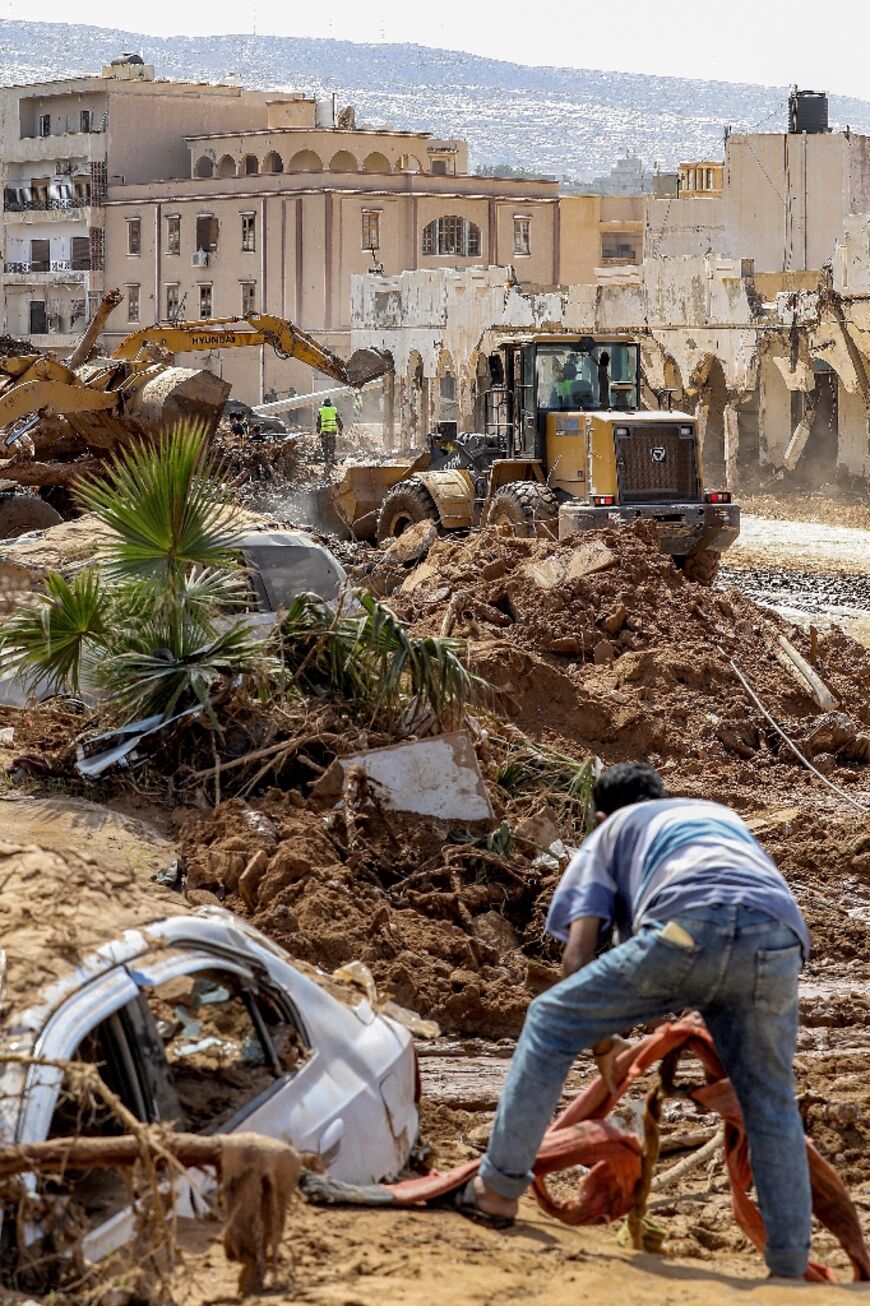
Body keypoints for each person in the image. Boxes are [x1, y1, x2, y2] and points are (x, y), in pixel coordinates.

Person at [464, 763, 812, 1281]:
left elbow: (578, 959)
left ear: (602, 816)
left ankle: (496, 1192)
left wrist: (601, 1042)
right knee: (768, 1099)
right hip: (779, 935)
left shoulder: (609, 833)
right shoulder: (712, 815)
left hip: (688, 927)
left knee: (549, 1020)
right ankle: (789, 1264)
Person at [316, 397, 342, 467]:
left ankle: (326, 460)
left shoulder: (321, 410)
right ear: (330, 404)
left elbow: (319, 421)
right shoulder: (334, 410)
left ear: (324, 404)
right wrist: (340, 429)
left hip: (324, 431)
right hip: (332, 431)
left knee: (325, 446)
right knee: (332, 446)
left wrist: (318, 431)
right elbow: (338, 420)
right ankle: (331, 459)